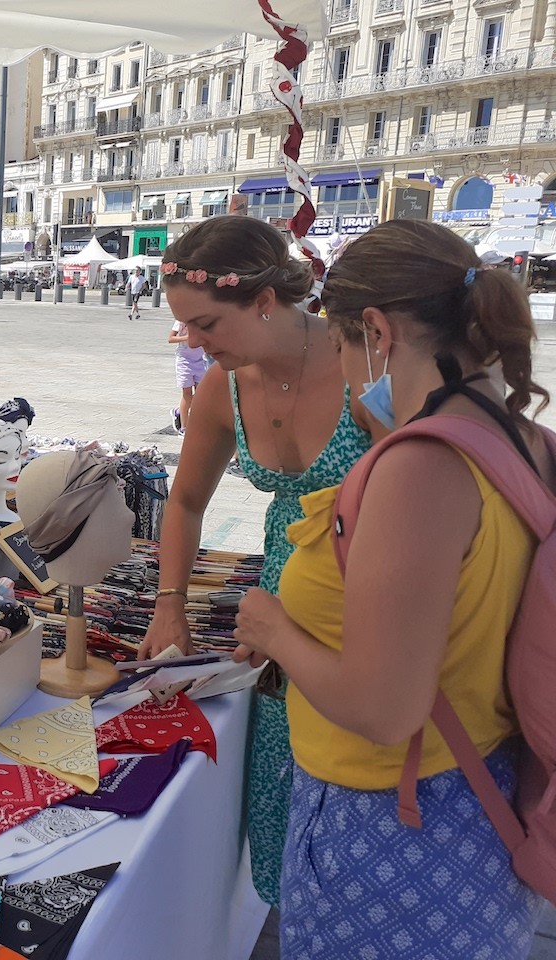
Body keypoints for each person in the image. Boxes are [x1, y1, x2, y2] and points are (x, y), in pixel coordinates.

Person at [233, 220, 548, 957]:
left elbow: (383, 709)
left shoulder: (422, 468)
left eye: (343, 345)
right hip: (480, 792)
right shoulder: (519, 436)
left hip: (395, 830)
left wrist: (274, 628)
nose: (343, 369)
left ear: (375, 330)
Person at [137, 215, 370, 910]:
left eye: (204, 323)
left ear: (265, 301)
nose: (191, 342)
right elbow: (183, 503)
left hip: (366, 607)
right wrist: (169, 601)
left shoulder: (364, 367)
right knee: (282, 807)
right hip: (273, 617)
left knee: (356, 799)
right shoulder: (223, 386)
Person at [167, 320, 205, 433]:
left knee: (201, 395)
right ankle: (184, 428)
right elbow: (170, 338)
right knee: (187, 394)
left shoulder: (204, 319)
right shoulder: (181, 320)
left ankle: (195, 423)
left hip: (201, 359)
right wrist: (187, 338)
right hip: (184, 360)